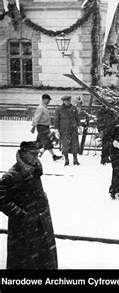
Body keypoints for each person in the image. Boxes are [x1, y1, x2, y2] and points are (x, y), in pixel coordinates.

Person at [0, 141, 58, 269]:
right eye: (32, 154)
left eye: (37, 154)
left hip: (41, 223)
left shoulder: (34, 170)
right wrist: (21, 215)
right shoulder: (11, 176)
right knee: (24, 261)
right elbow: (2, 200)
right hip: (24, 229)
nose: (35, 157)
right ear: (23, 153)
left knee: (44, 259)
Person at [30, 94, 61, 161]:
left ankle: (34, 155)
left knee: (40, 142)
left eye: (49, 100)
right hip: (42, 127)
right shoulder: (41, 107)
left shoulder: (44, 107)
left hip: (45, 126)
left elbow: (45, 117)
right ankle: (53, 156)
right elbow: (36, 117)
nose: (49, 101)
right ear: (44, 99)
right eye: (48, 100)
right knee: (47, 141)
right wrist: (33, 126)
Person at [55, 95, 80, 166]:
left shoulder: (74, 108)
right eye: (67, 101)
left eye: (69, 101)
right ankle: (66, 159)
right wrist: (56, 130)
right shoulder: (59, 109)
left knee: (75, 144)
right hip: (64, 130)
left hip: (73, 129)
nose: (68, 102)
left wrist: (79, 125)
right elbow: (56, 120)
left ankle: (75, 159)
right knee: (65, 145)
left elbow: (77, 118)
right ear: (63, 101)